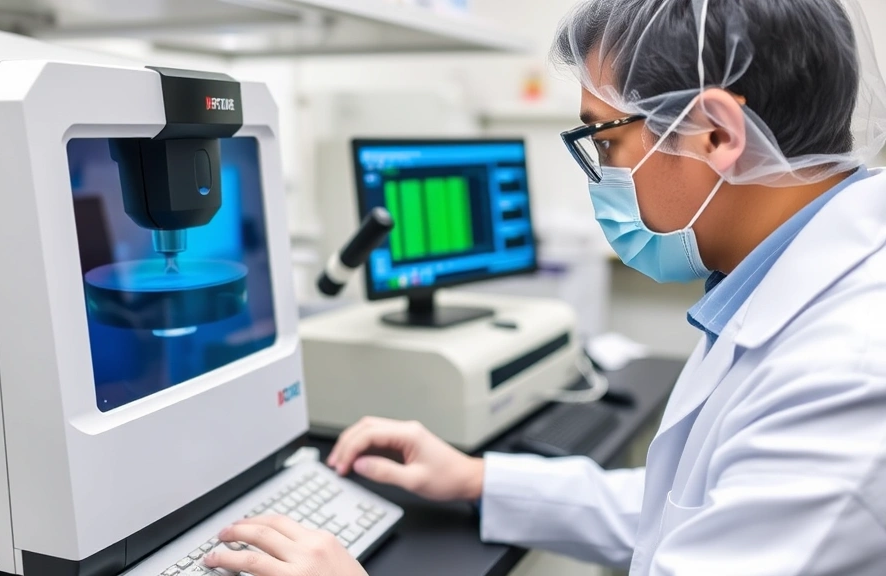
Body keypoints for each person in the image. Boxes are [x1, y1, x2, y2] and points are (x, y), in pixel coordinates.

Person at [205, 0, 886, 574]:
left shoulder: (848, 374)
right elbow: (693, 514)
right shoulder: (782, 285)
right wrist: (480, 479)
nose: (603, 174)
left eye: (607, 140)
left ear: (716, 133)